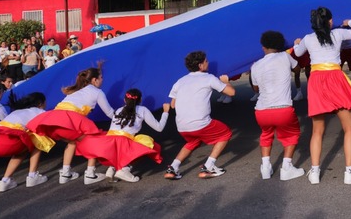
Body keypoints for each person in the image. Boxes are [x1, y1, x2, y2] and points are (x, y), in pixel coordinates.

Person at [293, 7, 351, 185]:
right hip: (335, 79)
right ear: (330, 21)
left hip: (316, 80)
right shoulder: (338, 34)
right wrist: (349, 22)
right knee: (349, 128)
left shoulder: (308, 39)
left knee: (317, 131)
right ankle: (350, 171)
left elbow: (297, 53)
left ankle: (314, 171)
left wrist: (297, 43)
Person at [26, 64, 114, 185]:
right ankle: (90, 174)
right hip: (69, 119)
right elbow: (109, 112)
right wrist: (123, 119)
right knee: (95, 138)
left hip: (54, 119)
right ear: (94, 80)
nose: (102, 80)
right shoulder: (97, 92)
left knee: (72, 141)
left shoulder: (76, 92)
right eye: (101, 77)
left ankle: (65, 173)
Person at [164, 51, 234, 180]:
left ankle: (172, 168)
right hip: (200, 123)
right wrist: (226, 81)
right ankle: (208, 167)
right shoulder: (209, 78)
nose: (208, 63)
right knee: (225, 134)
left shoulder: (180, 81)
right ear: (201, 65)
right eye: (206, 61)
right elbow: (231, 93)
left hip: (182, 126)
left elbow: (173, 105)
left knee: (193, 142)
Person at [75, 88, 170, 183]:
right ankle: (124, 170)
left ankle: (112, 169)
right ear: (140, 100)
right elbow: (159, 128)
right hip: (123, 142)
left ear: (125, 100)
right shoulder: (142, 110)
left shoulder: (119, 110)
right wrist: (165, 112)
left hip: (109, 140)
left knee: (122, 145)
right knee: (147, 146)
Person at [250, 31, 305, 181]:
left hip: (261, 111)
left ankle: (265, 167)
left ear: (263, 47)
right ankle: (286, 168)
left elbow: (255, 89)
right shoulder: (285, 57)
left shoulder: (256, 65)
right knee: (291, 135)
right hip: (283, 109)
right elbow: (298, 68)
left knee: (266, 136)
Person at [0, 92, 53, 192]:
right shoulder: (39, 111)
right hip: (9, 140)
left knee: (21, 151)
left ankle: (5, 181)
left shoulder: (17, 112)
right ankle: (32, 176)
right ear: (40, 104)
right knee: (39, 142)